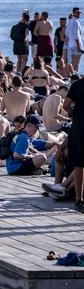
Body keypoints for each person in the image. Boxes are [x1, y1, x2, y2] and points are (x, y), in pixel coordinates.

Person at [64, 75, 84, 210]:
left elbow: (65, 105)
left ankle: (79, 199)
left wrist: (74, 115)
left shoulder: (77, 85)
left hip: (79, 128)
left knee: (79, 165)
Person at [66, 7, 82, 72]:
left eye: (79, 13)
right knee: (76, 63)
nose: (79, 14)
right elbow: (76, 36)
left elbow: (66, 33)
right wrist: (79, 47)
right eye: (77, 13)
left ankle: (72, 76)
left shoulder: (70, 21)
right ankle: (76, 77)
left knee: (72, 63)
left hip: (70, 44)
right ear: (73, 13)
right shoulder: (76, 22)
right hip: (76, 44)